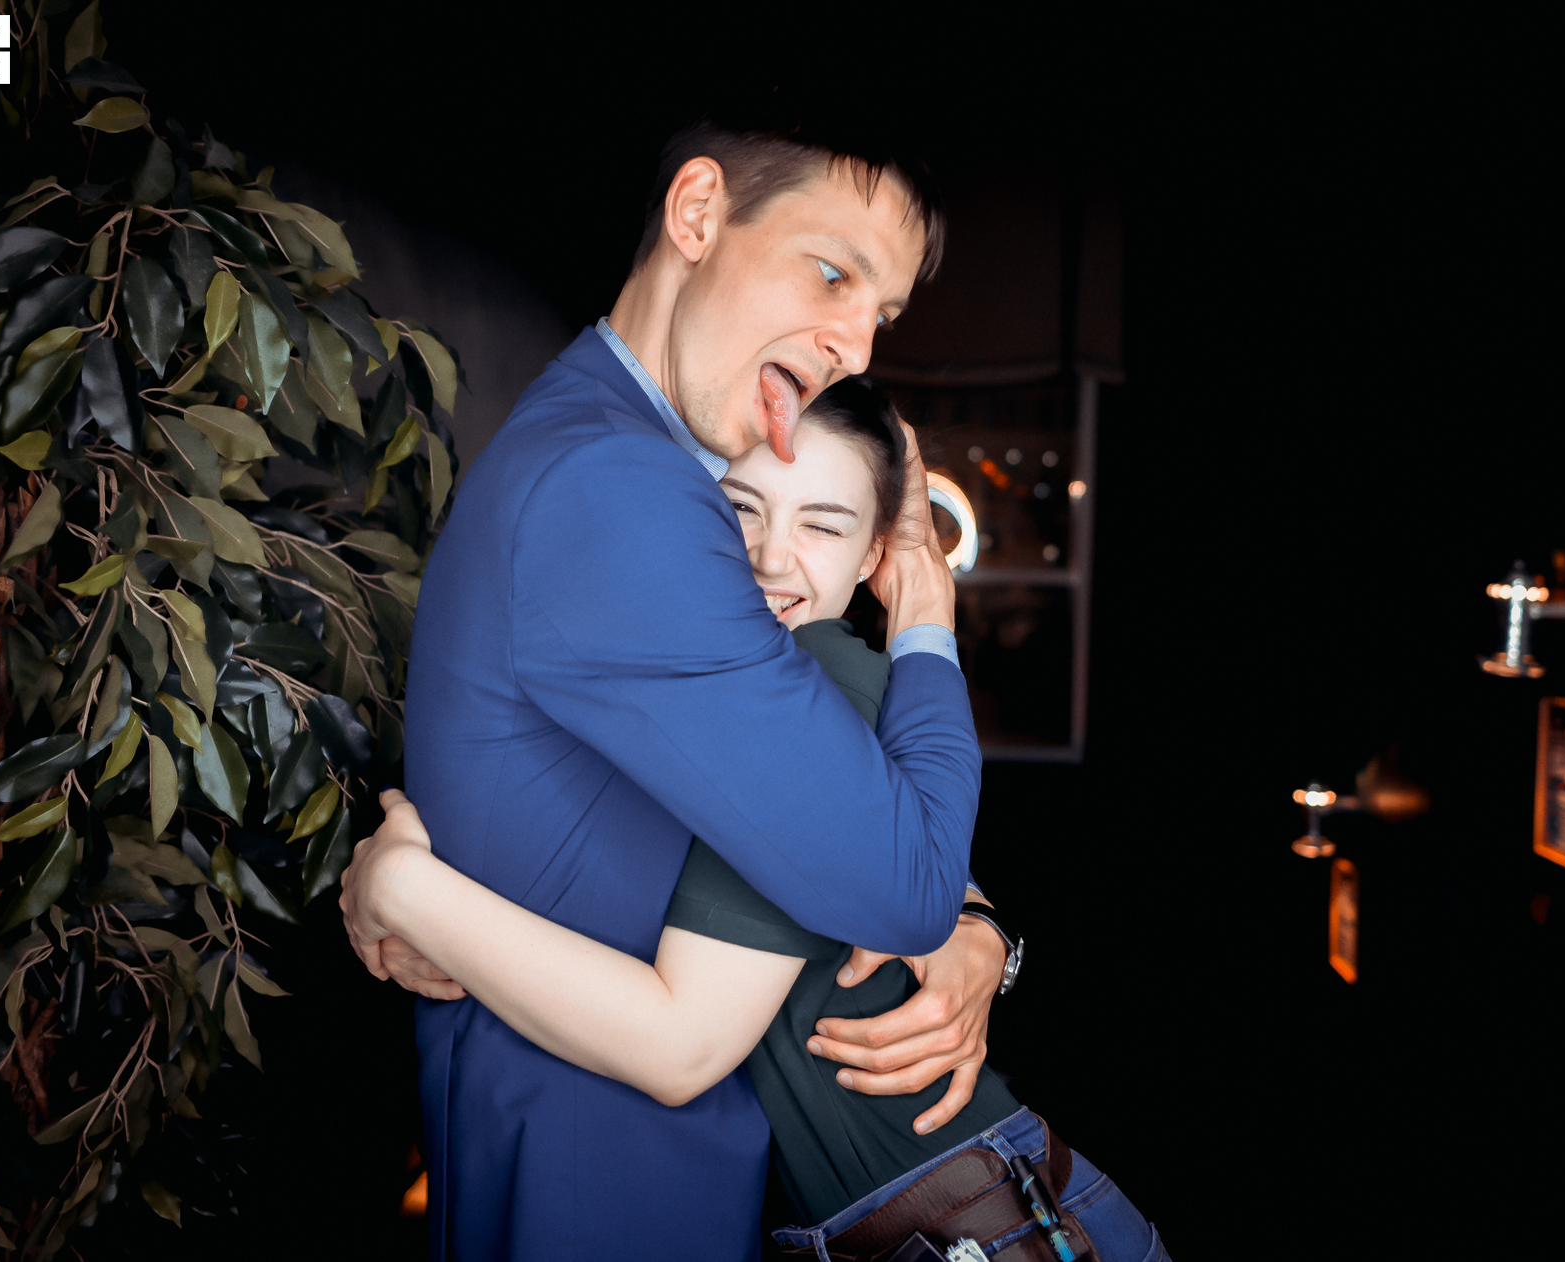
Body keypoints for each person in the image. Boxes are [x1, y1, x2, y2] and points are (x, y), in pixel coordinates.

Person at [343, 108, 1013, 1260]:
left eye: (882, 312)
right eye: (833, 272)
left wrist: (980, 925)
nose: (856, 345)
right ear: (699, 212)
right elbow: (897, 880)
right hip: (601, 1180)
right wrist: (925, 612)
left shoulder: (614, 450)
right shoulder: (623, 490)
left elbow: (773, 782)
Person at [346, 380, 1165, 1260]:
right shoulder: (697, 684)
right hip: (906, 1216)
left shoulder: (823, 679)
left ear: (873, 556)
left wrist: (405, 888)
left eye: (823, 525)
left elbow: (681, 1045)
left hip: (986, 1219)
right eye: (740, 508)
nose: (772, 558)